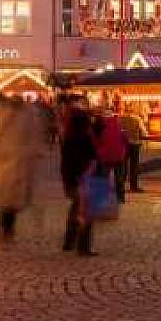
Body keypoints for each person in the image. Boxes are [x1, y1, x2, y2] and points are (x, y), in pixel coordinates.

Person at [0, 95, 40, 241]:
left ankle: (6, 230)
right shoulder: (24, 115)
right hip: (13, 162)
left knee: (8, 199)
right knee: (10, 199)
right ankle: (6, 230)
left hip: (8, 162)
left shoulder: (2, 114)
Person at [60, 94, 99, 257]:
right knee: (86, 211)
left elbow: (64, 161)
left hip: (70, 176)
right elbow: (93, 156)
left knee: (75, 208)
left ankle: (69, 241)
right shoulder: (85, 138)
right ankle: (83, 246)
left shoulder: (67, 138)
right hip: (84, 175)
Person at [92, 105, 129, 202]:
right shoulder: (119, 124)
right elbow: (125, 138)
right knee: (119, 178)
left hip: (105, 156)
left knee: (104, 177)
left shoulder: (100, 125)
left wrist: (98, 151)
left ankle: (104, 197)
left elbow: (96, 141)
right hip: (119, 155)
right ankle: (120, 198)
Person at [117, 107, 146, 194]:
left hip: (123, 144)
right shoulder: (137, 119)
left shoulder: (119, 119)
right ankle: (133, 186)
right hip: (135, 143)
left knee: (123, 166)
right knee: (134, 166)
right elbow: (143, 132)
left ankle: (121, 185)